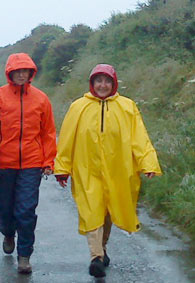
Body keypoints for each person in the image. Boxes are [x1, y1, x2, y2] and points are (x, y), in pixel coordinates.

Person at [54, 64, 162, 278]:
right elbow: (67, 138)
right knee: (91, 209)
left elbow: (139, 137)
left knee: (108, 212)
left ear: (114, 83)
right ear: (91, 83)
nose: (102, 85)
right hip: (86, 170)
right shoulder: (78, 107)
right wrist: (62, 167)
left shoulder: (127, 106)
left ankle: (102, 248)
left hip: (118, 170)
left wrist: (147, 162)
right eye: (98, 81)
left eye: (107, 81)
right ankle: (95, 257)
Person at [0, 53, 57, 274]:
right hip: (4, 165)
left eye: (26, 70)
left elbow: (48, 133)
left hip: (32, 165)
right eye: (18, 71)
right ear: (10, 73)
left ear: (31, 73)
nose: (22, 74)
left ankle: (24, 255)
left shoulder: (41, 99)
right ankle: (7, 232)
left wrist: (48, 161)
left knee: (26, 210)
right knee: (5, 209)